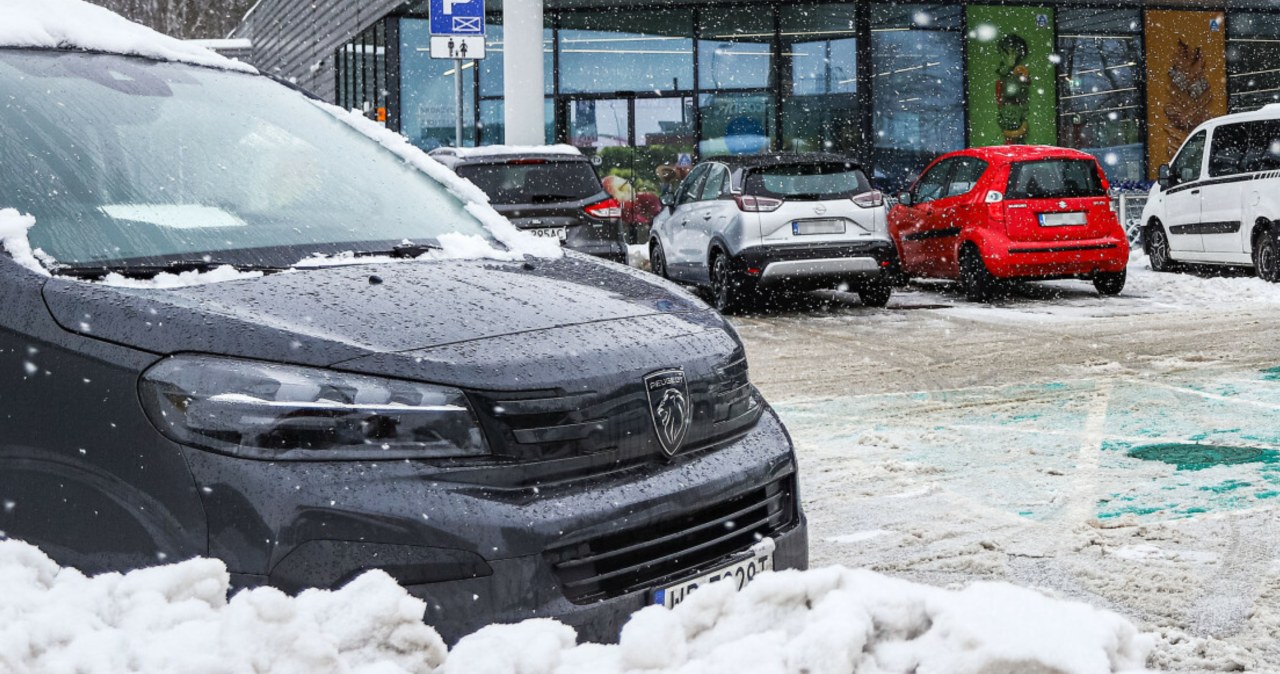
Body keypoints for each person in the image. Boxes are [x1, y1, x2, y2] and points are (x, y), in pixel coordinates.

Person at [995, 34, 1031, 145]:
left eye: (1013, 52)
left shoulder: (1018, 76)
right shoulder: (1005, 75)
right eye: (1006, 52)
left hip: (1014, 111)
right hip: (1010, 111)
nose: (1010, 57)